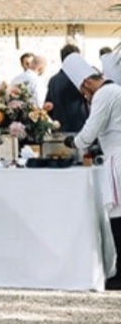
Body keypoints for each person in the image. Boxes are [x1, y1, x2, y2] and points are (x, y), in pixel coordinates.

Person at [70, 52, 121, 291]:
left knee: (118, 216)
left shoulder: (103, 94)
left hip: (117, 158)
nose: (84, 95)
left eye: (83, 90)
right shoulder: (115, 90)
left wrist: (73, 142)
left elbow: (89, 132)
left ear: (87, 82)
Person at [46, 43, 89, 134]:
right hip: (79, 127)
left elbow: (49, 105)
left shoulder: (53, 80)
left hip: (59, 127)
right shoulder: (81, 78)